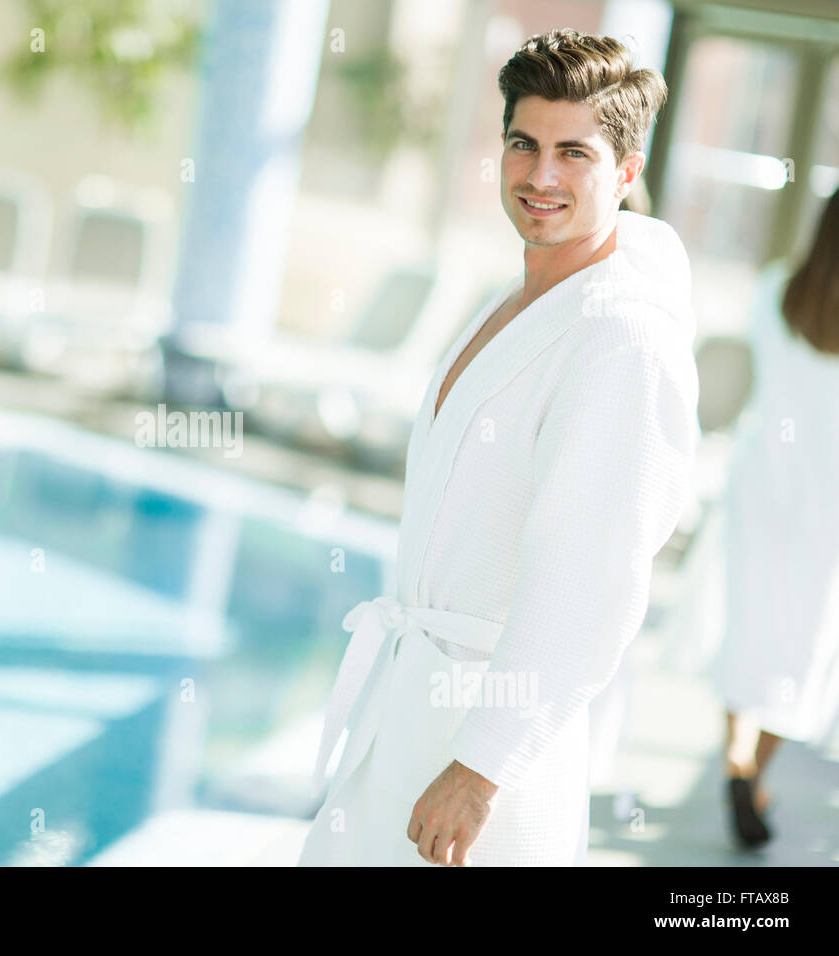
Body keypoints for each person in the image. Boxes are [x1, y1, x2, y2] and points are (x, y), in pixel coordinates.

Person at [298, 29, 700, 866]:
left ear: (626, 173)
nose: (540, 176)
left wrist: (481, 768)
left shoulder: (622, 339)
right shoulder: (511, 299)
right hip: (410, 707)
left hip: (489, 749)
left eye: (574, 153)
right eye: (523, 144)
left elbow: (591, 582)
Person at [715, 187, 839, 849]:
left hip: (762, 487)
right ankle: (752, 775)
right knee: (803, 652)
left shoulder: (773, 293)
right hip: (828, 507)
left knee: (748, 632)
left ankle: (734, 761)